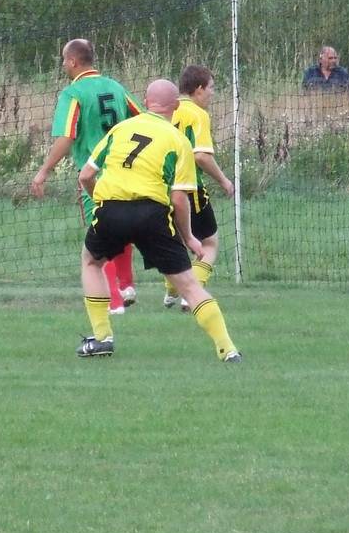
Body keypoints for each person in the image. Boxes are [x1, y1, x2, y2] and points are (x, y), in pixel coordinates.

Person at [75, 78, 241, 362]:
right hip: (152, 214)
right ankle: (228, 350)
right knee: (189, 285)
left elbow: (86, 176)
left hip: (110, 210)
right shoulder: (178, 141)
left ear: (144, 102)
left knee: (92, 261)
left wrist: (102, 202)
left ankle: (102, 338)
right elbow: (179, 199)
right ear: (176, 106)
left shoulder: (120, 129)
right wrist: (189, 237)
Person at [31, 39, 140, 314]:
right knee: (122, 227)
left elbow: (66, 137)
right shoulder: (116, 86)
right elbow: (141, 118)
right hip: (126, 171)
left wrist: (43, 171)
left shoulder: (73, 93)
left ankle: (114, 303)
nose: (62, 65)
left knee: (100, 234)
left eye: (63, 60)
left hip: (95, 174)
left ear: (72, 62)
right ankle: (126, 285)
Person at [162, 64, 235, 312]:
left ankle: (172, 287)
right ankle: (191, 293)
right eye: (211, 87)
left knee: (177, 240)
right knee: (208, 242)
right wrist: (224, 180)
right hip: (188, 188)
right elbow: (201, 156)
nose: (213, 93)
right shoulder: (197, 114)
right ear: (199, 89)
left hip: (161, 188)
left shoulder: (167, 109)